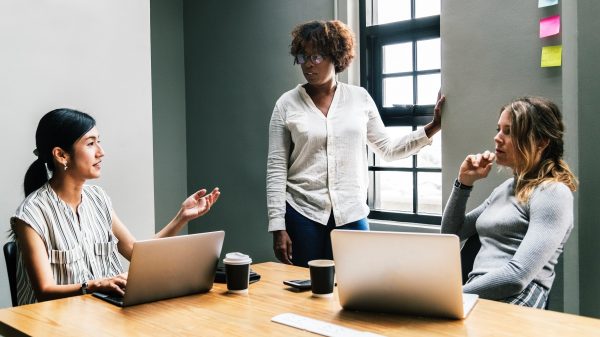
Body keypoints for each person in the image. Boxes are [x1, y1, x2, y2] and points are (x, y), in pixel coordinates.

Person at [267, 20, 445, 267]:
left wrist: (433, 126)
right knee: (306, 293)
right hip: (302, 213)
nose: (307, 64)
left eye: (315, 56)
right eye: (302, 56)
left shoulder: (359, 99)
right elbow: (276, 168)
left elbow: (388, 149)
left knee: (355, 288)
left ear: (335, 56)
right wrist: (278, 226)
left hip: (351, 212)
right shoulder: (286, 104)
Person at [10, 108, 220, 305]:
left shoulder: (98, 199)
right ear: (61, 155)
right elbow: (44, 291)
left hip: (104, 315)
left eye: (98, 142)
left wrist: (181, 218)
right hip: (54, 326)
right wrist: (96, 285)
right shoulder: (31, 214)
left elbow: (137, 254)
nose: (101, 152)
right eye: (90, 143)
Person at [441, 96, 577, 308]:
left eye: (509, 131)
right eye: (499, 129)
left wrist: (451, 294)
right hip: (477, 290)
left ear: (541, 142)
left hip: (518, 295)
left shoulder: (552, 193)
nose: (497, 138)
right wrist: (463, 183)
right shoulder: (504, 190)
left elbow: (517, 277)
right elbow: (451, 233)